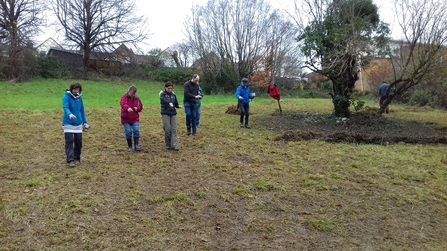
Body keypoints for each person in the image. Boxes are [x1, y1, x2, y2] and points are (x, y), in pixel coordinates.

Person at [62, 81, 89, 167]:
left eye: (77, 89)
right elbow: (65, 107)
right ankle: (70, 160)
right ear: (71, 89)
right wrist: (69, 114)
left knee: (78, 142)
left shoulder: (79, 98)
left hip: (78, 123)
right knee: (69, 141)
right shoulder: (66, 97)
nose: (76, 91)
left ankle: (77, 157)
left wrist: (85, 122)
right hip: (68, 123)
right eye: (74, 89)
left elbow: (82, 110)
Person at [160, 81, 183, 151]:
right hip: (165, 113)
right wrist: (168, 103)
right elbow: (163, 100)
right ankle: (168, 144)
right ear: (165, 88)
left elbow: (175, 103)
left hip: (173, 113)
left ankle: (174, 145)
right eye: (168, 88)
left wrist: (178, 106)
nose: (170, 90)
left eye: (171, 88)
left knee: (174, 129)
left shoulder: (173, 95)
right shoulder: (162, 94)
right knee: (167, 129)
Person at [120, 85, 143, 151]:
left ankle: (136, 145)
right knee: (128, 132)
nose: (133, 95)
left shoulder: (137, 99)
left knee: (136, 131)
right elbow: (123, 104)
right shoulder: (124, 97)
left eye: (134, 94)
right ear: (129, 91)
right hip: (126, 119)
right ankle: (130, 146)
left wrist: (137, 108)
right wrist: (127, 108)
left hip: (135, 118)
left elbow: (141, 107)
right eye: (132, 93)